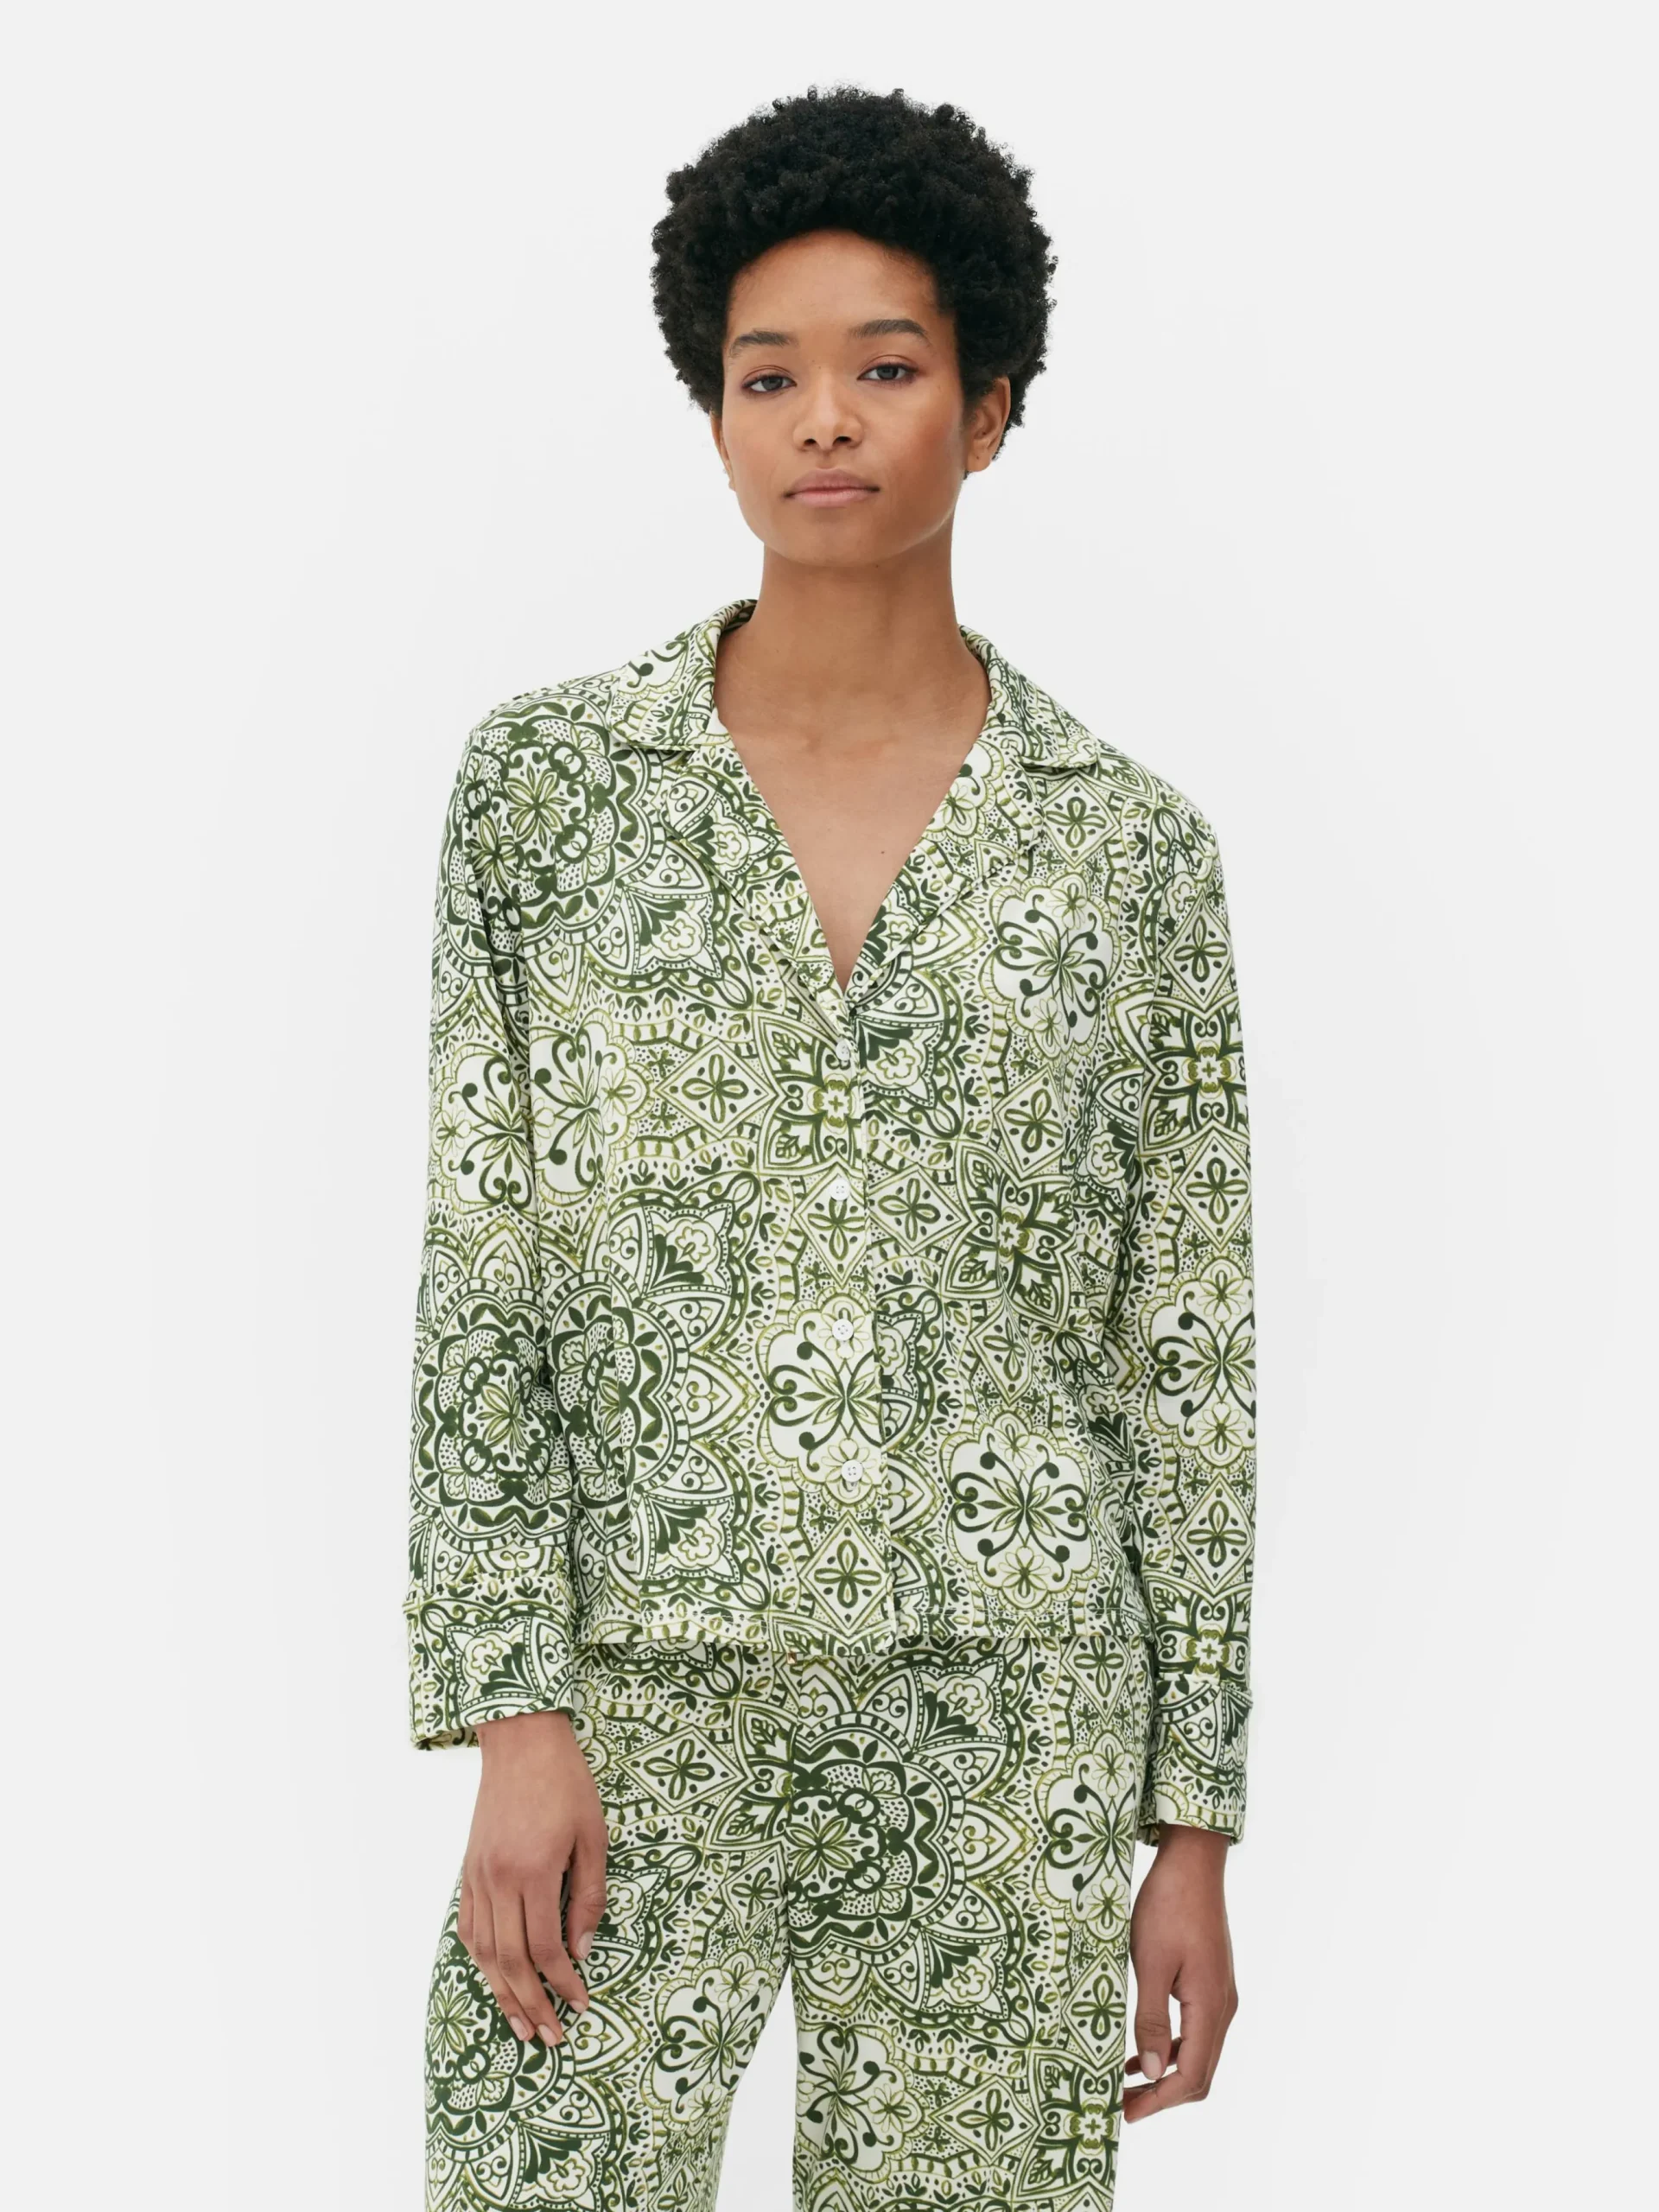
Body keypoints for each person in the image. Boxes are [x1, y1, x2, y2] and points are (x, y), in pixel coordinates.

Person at [406, 81, 1256, 2212]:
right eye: (766, 374)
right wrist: (511, 1709)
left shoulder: (1131, 853)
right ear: (712, 412)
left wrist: (1193, 1825)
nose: (824, 422)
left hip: (1011, 1722)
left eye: (887, 367)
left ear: (991, 408)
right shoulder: (549, 795)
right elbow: (483, 1262)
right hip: (631, 1701)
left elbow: (1188, 1353)